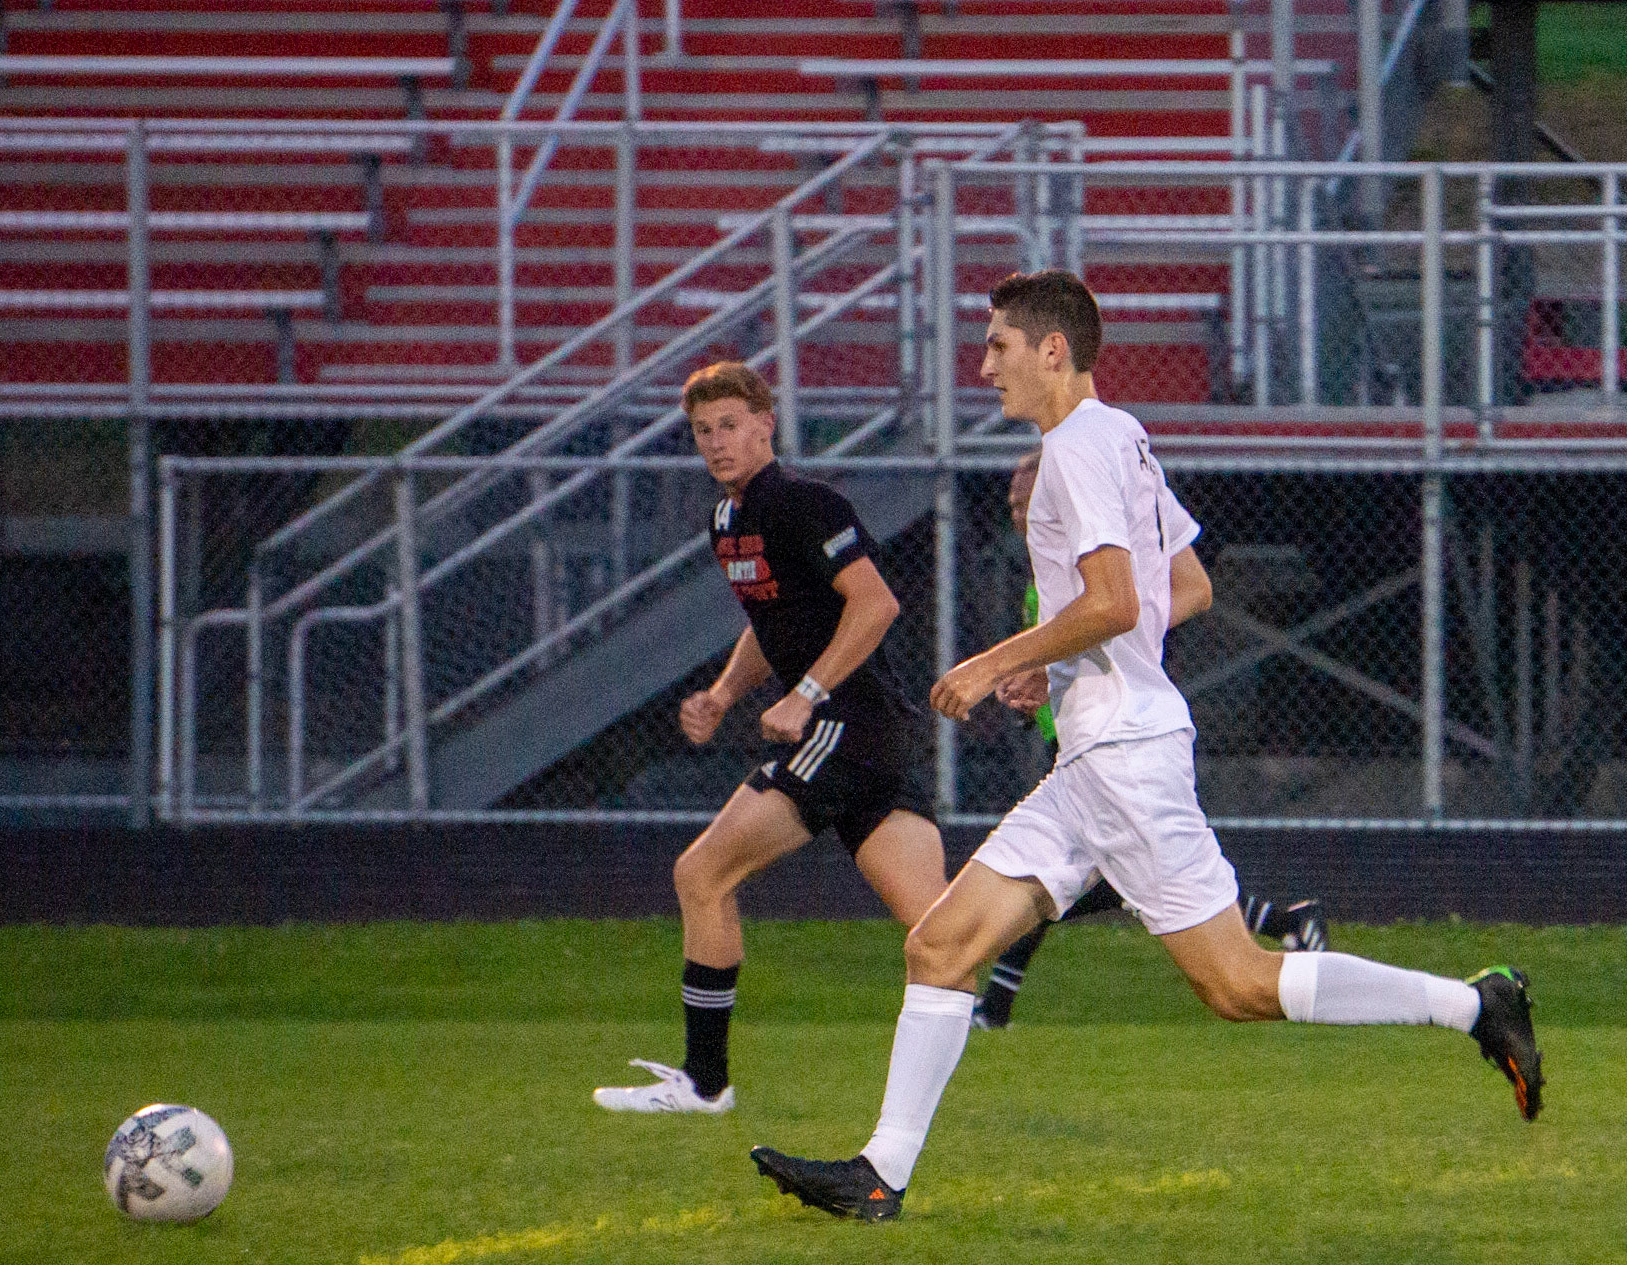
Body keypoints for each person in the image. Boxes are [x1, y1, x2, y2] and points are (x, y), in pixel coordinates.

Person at [750, 270, 1544, 1219]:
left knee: (1238, 982)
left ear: (1053, 350)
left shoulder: (1075, 448)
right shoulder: (1120, 433)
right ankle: (880, 1175)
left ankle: (1476, 1003)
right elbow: (1186, 586)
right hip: (1095, 755)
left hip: (1123, 755)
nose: (984, 365)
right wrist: (1060, 660)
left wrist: (999, 659)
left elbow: (1121, 601)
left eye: (998, 345)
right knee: (941, 946)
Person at [593, 360, 948, 1115]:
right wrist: (724, 694)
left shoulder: (804, 504)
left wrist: (805, 694)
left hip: (846, 727)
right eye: (702, 431)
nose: (717, 442)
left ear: (766, 423)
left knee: (702, 874)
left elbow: (876, 604)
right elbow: (770, 621)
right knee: (945, 927)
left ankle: (705, 1083)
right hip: (869, 735)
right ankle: (1089, 888)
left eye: (730, 425)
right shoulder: (726, 521)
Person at [972, 450, 1326, 1031]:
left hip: (1121, 746)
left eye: (1025, 500)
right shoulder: (1048, 569)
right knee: (1095, 884)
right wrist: (1041, 678)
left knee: (1056, 886)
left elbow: (1187, 592)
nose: (1016, 512)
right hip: (1078, 749)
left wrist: (1084, 651)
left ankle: (1450, 1003)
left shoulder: (1102, 554)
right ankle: (1284, 921)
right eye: (1011, 502)